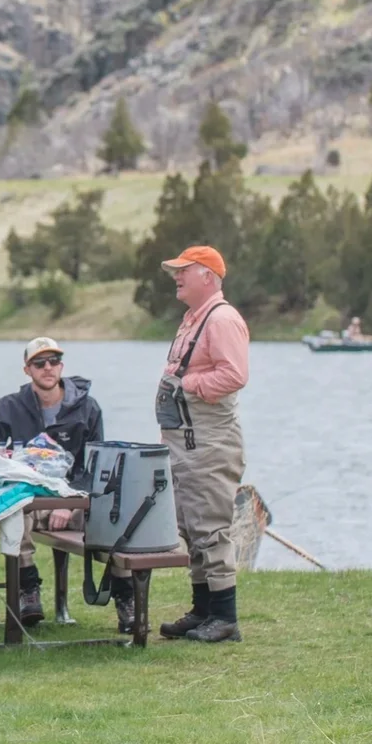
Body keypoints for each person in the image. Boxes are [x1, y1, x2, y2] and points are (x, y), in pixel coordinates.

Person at [0, 338, 135, 632]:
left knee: (115, 522)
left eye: (54, 361)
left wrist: (66, 502)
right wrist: (0, 457)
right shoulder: (8, 407)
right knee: (12, 511)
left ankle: (127, 603)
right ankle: (29, 590)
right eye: (39, 363)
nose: (48, 368)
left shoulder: (88, 409)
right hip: (28, 499)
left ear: (62, 366)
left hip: (74, 500)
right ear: (27, 369)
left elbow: (95, 465)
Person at [155, 246, 251, 644]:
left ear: (208, 276)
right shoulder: (193, 319)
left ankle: (225, 618)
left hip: (210, 443)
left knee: (211, 528)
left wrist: (188, 385)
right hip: (186, 442)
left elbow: (234, 375)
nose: (176, 276)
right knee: (192, 529)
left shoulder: (222, 319)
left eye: (184, 270)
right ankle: (202, 611)